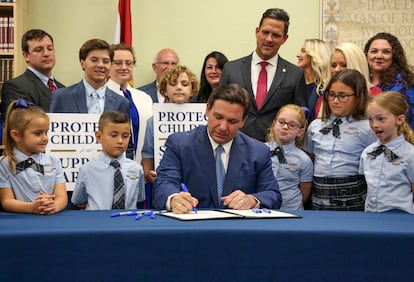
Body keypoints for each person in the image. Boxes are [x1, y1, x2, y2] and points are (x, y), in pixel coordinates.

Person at [153, 83, 281, 213]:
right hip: (192, 228)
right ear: (207, 110)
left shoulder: (258, 151)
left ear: (243, 120)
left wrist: (252, 200)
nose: (223, 127)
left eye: (232, 121)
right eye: (218, 117)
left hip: (238, 229)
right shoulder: (180, 144)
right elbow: (163, 184)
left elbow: (273, 194)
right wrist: (174, 199)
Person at [220, 8, 307, 142]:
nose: (269, 39)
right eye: (265, 32)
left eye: (276, 35)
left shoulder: (295, 74)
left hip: (276, 152)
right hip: (235, 145)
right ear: (257, 32)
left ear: (284, 38)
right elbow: (221, 109)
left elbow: (300, 117)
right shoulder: (231, 69)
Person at [304, 69, 376, 211]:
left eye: (343, 96)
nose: (335, 101)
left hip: (352, 195)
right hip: (320, 194)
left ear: (358, 97)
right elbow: (310, 157)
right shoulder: (316, 126)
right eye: (331, 95)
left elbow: (373, 165)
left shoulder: (367, 128)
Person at [0, 99, 67, 214]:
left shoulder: (54, 162)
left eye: (46, 132)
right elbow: (7, 201)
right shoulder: (5, 164)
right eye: (38, 133)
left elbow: (62, 197)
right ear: (16, 135)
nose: (45, 138)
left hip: (51, 217)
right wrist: (32, 207)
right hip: (21, 221)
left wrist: (52, 206)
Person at [71, 111, 145, 210]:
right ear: (98, 137)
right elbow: (79, 200)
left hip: (128, 222)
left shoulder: (137, 169)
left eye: (125, 136)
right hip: (97, 222)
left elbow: (139, 199)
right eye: (114, 135)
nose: (120, 141)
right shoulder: (87, 170)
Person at [141, 65, 199, 185]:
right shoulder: (153, 121)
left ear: (192, 90)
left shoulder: (204, 119)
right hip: (164, 180)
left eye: (184, 84)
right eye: (173, 84)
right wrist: (148, 173)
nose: (178, 87)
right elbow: (147, 154)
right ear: (164, 90)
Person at [360, 91, 414, 214]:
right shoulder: (368, 153)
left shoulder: (410, 154)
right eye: (370, 119)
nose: (374, 125)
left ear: (399, 120)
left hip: (401, 217)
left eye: (381, 119)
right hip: (371, 216)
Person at [49, 39, 129, 116]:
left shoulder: (121, 102)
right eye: (94, 60)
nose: (101, 65)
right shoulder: (62, 97)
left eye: (105, 61)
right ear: (82, 63)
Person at [1, 29, 65, 122]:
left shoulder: (63, 89)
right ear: (26, 55)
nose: (46, 54)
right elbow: (19, 124)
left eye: (50, 49)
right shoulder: (15, 87)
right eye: (38, 50)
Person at [106, 43, 153, 163]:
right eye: (118, 63)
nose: (124, 67)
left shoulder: (144, 98)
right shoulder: (101, 96)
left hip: (140, 166)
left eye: (128, 63)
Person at [265, 104, 313, 210]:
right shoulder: (260, 151)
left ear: (300, 131)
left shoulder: (304, 160)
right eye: (281, 122)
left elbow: (305, 194)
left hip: (292, 210)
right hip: (264, 209)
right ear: (274, 124)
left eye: (292, 125)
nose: (285, 127)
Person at [364, 32, 414, 129]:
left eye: (386, 52)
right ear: (366, 55)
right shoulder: (361, 79)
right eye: (374, 51)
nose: (379, 56)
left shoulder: (403, 83)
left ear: (394, 56)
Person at [296, 39, 331, 122]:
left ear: (315, 55)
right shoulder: (294, 83)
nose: (297, 55)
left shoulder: (326, 88)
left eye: (303, 51)